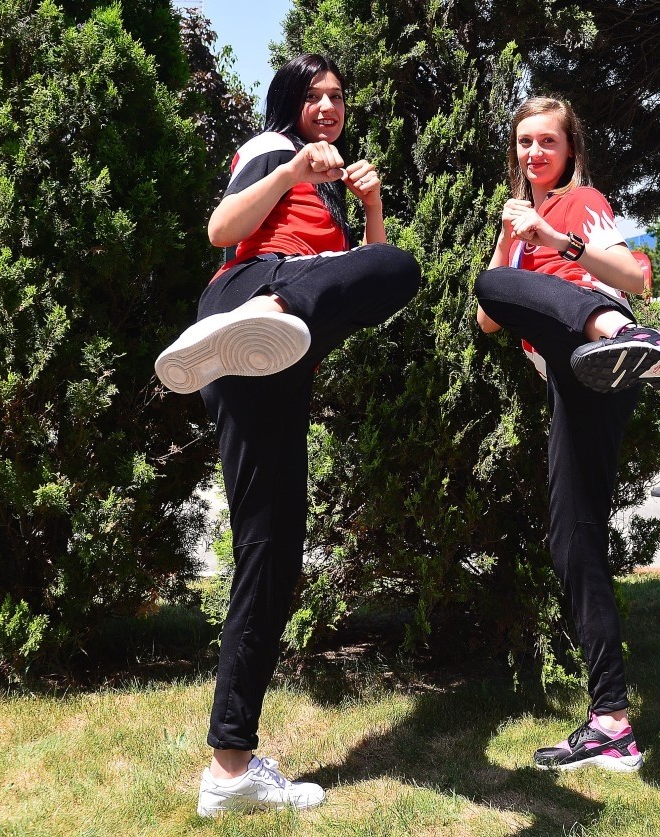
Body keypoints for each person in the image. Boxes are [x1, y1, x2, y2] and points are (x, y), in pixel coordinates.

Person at [155, 54, 421, 815]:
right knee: (394, 269)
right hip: (245, 304)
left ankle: (229, 770)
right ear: (290, 106)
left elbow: (359, 274)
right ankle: (268, 313)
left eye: (338, 96)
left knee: (271, 555)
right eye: (315, 96)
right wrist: (295, 168)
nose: (330, 106)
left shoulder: (329, 198)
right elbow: (221, 229)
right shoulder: (271, 151)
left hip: (274, 356)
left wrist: (366, 207)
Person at [473, 97, 660, 773]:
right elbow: (488, 318)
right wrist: (513, 234)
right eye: (523, 143)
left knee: (526, 291)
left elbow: (636, 275)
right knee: (572, 543)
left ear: (570, 150)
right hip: (573, 380)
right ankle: (612, 724)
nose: (535, 152)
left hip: (604, 357)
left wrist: (554, 241)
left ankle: (623, 335)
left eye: (547, 141)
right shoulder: (524, 222)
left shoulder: (582, 202)